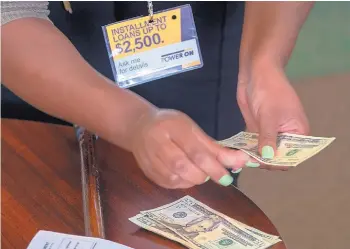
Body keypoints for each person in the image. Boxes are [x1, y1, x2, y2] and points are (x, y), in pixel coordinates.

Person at [1, 1, 311, 189]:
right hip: (36, 51)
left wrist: (263, 64)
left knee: (191, 178)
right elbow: (9, 11)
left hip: (197, 33)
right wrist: (134, 122)